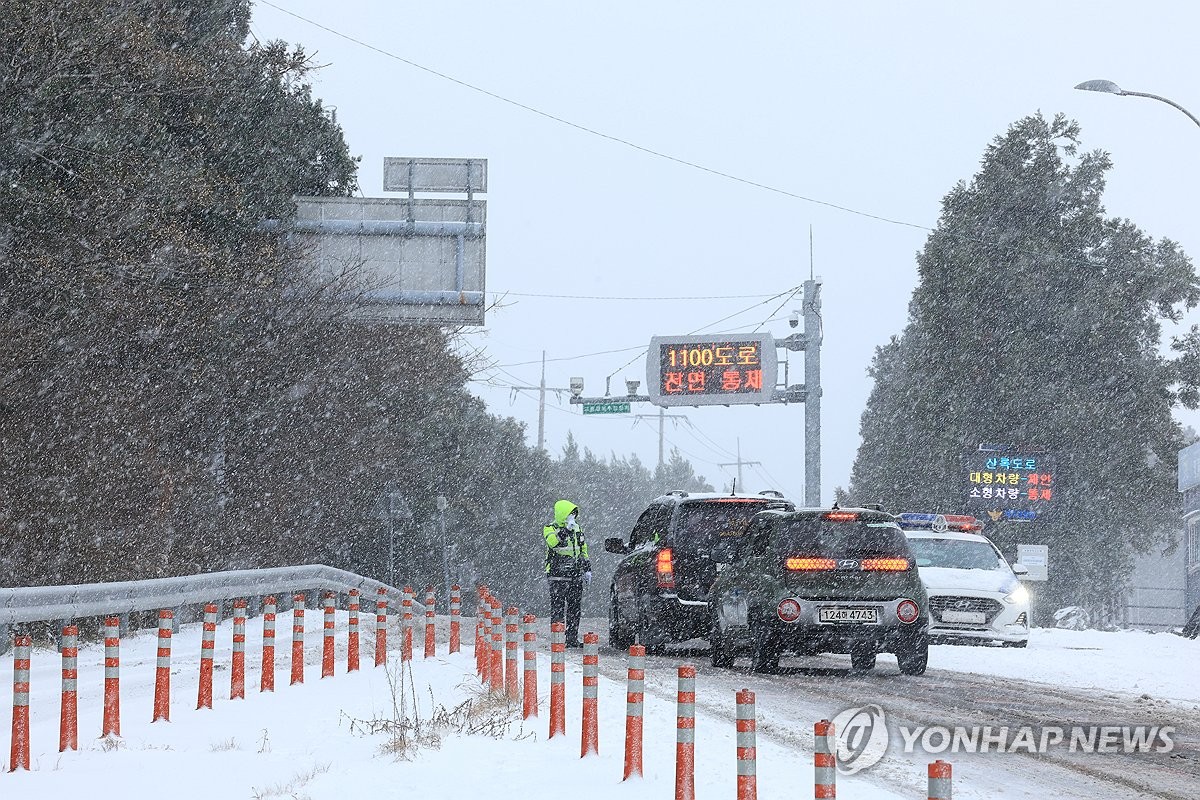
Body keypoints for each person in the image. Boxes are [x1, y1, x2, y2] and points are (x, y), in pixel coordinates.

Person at [543, 499, 591, 647]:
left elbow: (583, 549)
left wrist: (587, 568)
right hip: (557, 575)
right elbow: (552, 542)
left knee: (574, 608)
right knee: (557, 606)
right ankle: (557, 639)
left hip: (575, 575)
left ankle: (571, 638)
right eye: (570, 514)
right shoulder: (550, 528)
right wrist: (566, 530)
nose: (573, 517)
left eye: (574, 514)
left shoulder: (578, 529)